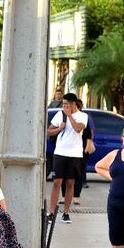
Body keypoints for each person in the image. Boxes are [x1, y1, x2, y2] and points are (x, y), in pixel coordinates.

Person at [47, 93, 88, 224]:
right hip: (60, 152)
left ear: (73, 104)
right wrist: (59, 128)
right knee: (56, 182)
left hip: (75, 155)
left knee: (70, 183)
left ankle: (65, 213)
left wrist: (69, 115)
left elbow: (77, 129)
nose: (63, 106)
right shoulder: (60, 114)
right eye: (63, 104)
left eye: (66, 104)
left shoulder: (83, 116)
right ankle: (51, 213)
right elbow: (49, 131)